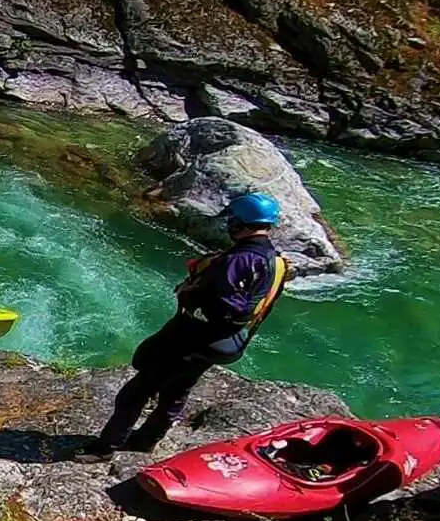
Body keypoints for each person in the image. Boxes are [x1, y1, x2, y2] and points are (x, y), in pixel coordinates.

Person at [74, 192, 290, 463]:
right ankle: (146, 440)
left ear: (241, 222)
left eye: (233, 220)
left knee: (136, 392)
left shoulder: (238, 261)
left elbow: (230, 307)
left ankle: (104, 447)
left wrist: (192, 296)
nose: (229, 225)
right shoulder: (275, 259)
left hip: (197, 337)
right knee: (178, 389)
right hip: (226, 341)